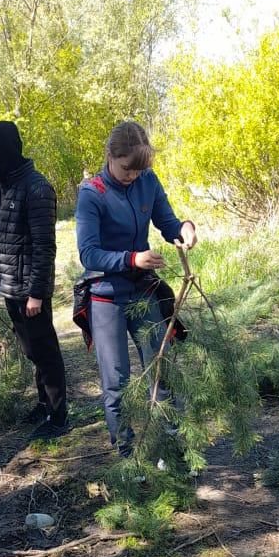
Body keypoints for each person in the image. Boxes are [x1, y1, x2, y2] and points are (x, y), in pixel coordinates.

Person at [75, 120, 197, 456]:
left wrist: (184, 229)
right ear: (111, 156)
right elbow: (89, 253)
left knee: (162, 371)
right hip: (105, 296)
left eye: (140, 170)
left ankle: (175, 453)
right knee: (117, 384)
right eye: (128, 168)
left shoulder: (148, 181)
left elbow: (168, 224)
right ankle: (128, 459)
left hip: (143, 292)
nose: (133, 176)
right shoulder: (92, 194)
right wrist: (132, 259)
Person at [0, 121, 68, 439]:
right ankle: (43, 404)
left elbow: (44, 247)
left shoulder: (37, 188)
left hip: (31, 291)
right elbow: (5, 238)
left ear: (4, 153)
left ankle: (58, 416)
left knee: (45, 351)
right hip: (11, 286)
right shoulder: (4, 185)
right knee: (31, 351)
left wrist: (38, 294)